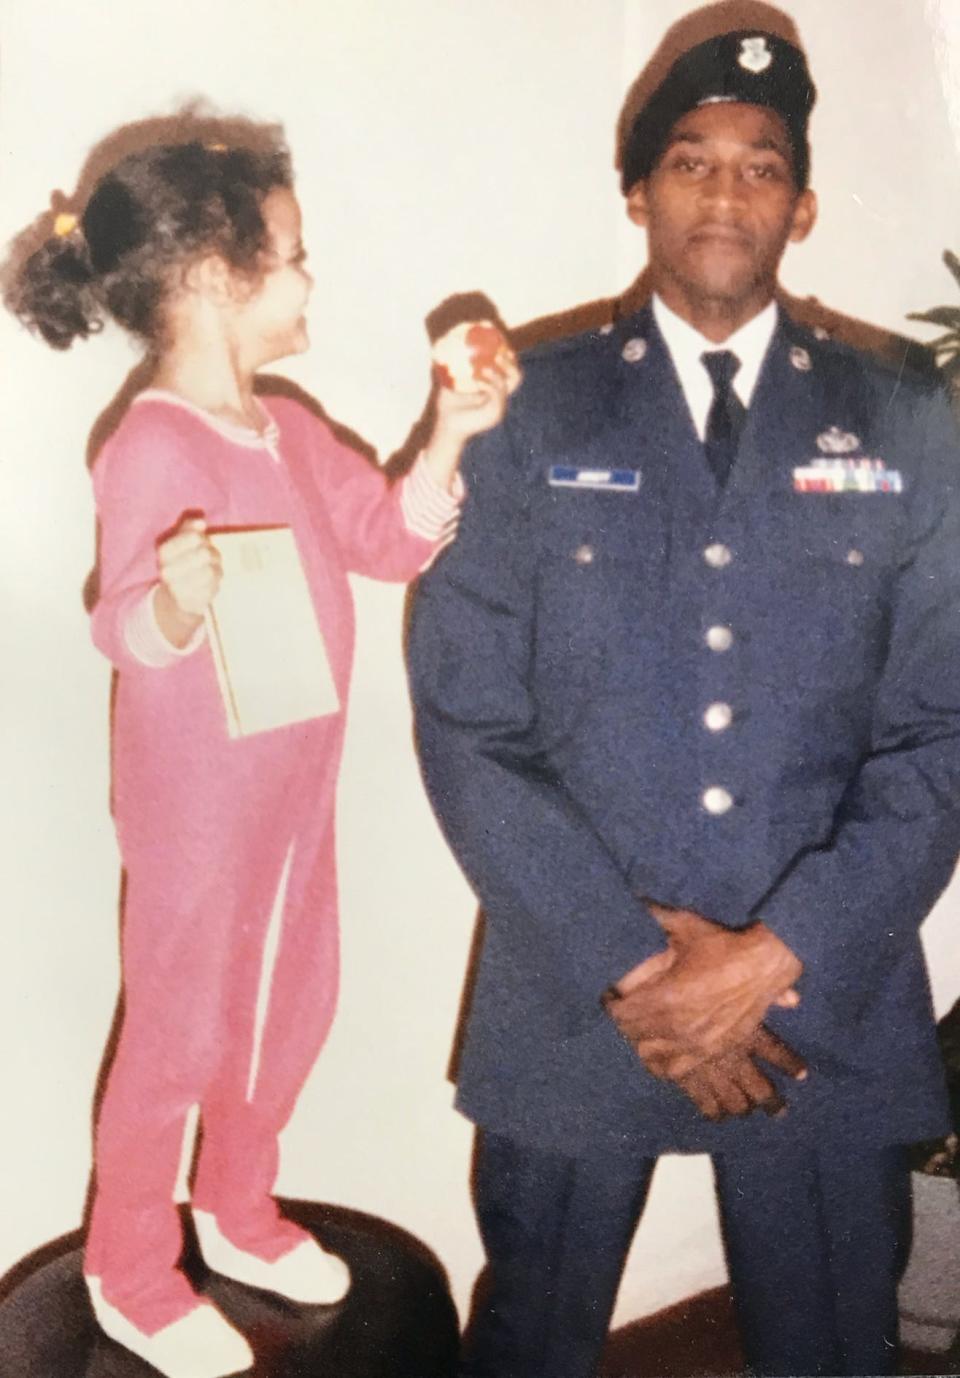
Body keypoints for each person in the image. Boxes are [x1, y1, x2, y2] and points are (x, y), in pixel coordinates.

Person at [407, 25, 960, 1378]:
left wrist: (772, 953)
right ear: (638, 191)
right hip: (582, 978)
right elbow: (467, 717)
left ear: (803, 204)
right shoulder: (529, 412)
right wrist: (644, 970)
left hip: (820, 989)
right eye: (690, 162)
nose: (724, 194)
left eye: (760, 166)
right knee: (530, 1337)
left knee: (834, 1345)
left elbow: (943, 727)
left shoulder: (906, 420)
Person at [5, 126, 518, 1378]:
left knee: (289, 1008)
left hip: (296, 793)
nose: (309, 278)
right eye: (290, 256)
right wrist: (174, 600)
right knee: (180, 1032)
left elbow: (390, 540)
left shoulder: (284, 427)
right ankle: (133, 1265)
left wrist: (450, 430)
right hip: (193, 814)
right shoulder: (151, 446)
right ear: (213, 279)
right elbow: (122, 624)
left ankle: (238, 1205)